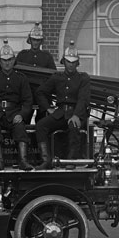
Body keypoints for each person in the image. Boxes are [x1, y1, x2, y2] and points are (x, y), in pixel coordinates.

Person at [34, 41, 92, 169]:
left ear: (77, 63)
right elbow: (40, 92)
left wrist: (77, 115)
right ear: (63, 62)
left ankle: (71, 161)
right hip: (60, 113)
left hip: (76, 113)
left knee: (73, 126)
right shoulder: (57, 77)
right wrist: (48, 108)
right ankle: (46, 160)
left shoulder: (83, 78)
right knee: (41, 126)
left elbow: (83, 99)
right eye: (68, 61)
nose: (70, 65)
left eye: (73, 62)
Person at [0, 40, 34, 171]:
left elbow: (28, 101)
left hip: (14, 112)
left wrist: (21, 115)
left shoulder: (21, 78)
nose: (7, 63)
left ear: (14, 60)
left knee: (20, 128)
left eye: (10, 60)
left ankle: (23, 160)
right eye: (4, 60)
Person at [16, 22, 57, 123]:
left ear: (41, 41)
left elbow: (53, 76)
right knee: (23, 122)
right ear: (30, 40)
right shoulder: (22, 55)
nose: (35, 42)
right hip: (26, 95)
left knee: (42, 122)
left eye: (38, 40)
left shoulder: (47, 56)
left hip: (43, 95)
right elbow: (17, 75)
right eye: (34, 40)